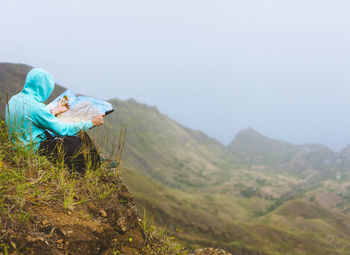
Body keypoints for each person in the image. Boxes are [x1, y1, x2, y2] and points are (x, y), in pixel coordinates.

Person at [5, 68, 104, 174]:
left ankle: (95, 158)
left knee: (74, 142)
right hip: (35, 150)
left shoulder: (14, 99)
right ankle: (96, 161)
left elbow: (31, 117)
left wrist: (57, 110)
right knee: (81, 144)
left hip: (19, 146)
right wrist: (92, 122)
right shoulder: (36, 107)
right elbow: (63, 130)